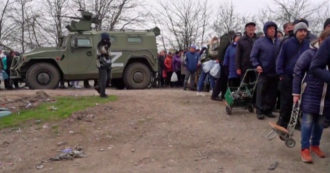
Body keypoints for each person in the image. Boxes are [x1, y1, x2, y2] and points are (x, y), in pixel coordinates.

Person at [293, 30, 330, 163]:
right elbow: (297, 71)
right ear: (321, 40)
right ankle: (305, 149)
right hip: (311, 93)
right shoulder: (309, 54)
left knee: (320, 122)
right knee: (307, 122)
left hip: (326, 96)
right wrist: (295, 93)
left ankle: (315, 145)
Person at [276, 22, 310, 127]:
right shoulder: (287, 43)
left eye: (304, 31)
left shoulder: (308, 44)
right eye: (300, 31)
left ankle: (295, 121)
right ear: (296, 32)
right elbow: (280, 58)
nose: (303, 33)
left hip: (302, 76)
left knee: (298, 101)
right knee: (286, 100)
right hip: (288, 75)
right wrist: (280, 72)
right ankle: (282, 121)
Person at [250, 21, 280, 120]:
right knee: (261, 92)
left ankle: (268, 110)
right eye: (270, 28)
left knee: (272, 93)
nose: (272, 30)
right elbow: (253, 56)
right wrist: (257, 65)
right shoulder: (259, 42)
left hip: (275, 72)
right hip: (263, 71)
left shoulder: (278, 42)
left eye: (274, 28)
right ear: (266, 30)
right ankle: (259, 111)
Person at [211, 31, 235, 101]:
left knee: (224, 79)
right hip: (223, 61)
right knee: (221, 79)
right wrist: (219, 58)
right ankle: (215, 95)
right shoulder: (226, 39)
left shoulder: (226, 38)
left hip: (224, 61)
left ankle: (223, 95)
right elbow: (221, 49)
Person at [95, 33, 112, 98]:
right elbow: (103, 52)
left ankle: (99, 87)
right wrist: (106, 49)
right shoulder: (100, 45)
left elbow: (109, 53)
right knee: (103, 79)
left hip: (107, 63)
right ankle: (102, 94)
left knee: (108, 78)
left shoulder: (107, 44)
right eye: (106, 38)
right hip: (101, 64)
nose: (108, 40)